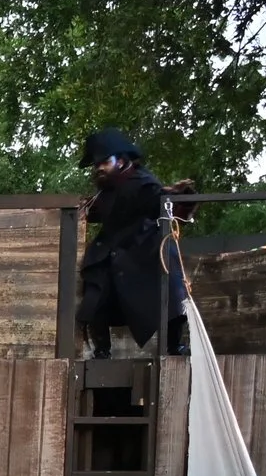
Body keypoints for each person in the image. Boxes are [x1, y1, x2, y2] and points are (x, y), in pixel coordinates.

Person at [77, 128, 189, 357]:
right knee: (95, 286)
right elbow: (98, 212)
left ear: (121, 160)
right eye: (96, 164)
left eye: (104, 162)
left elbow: (162, 203)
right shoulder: (105, 190)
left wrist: (176, 195)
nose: (99, 168)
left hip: (142, 251)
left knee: (171, 288)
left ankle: (174, 345)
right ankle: (102, 350)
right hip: (111, 252)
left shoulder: (144, 183)